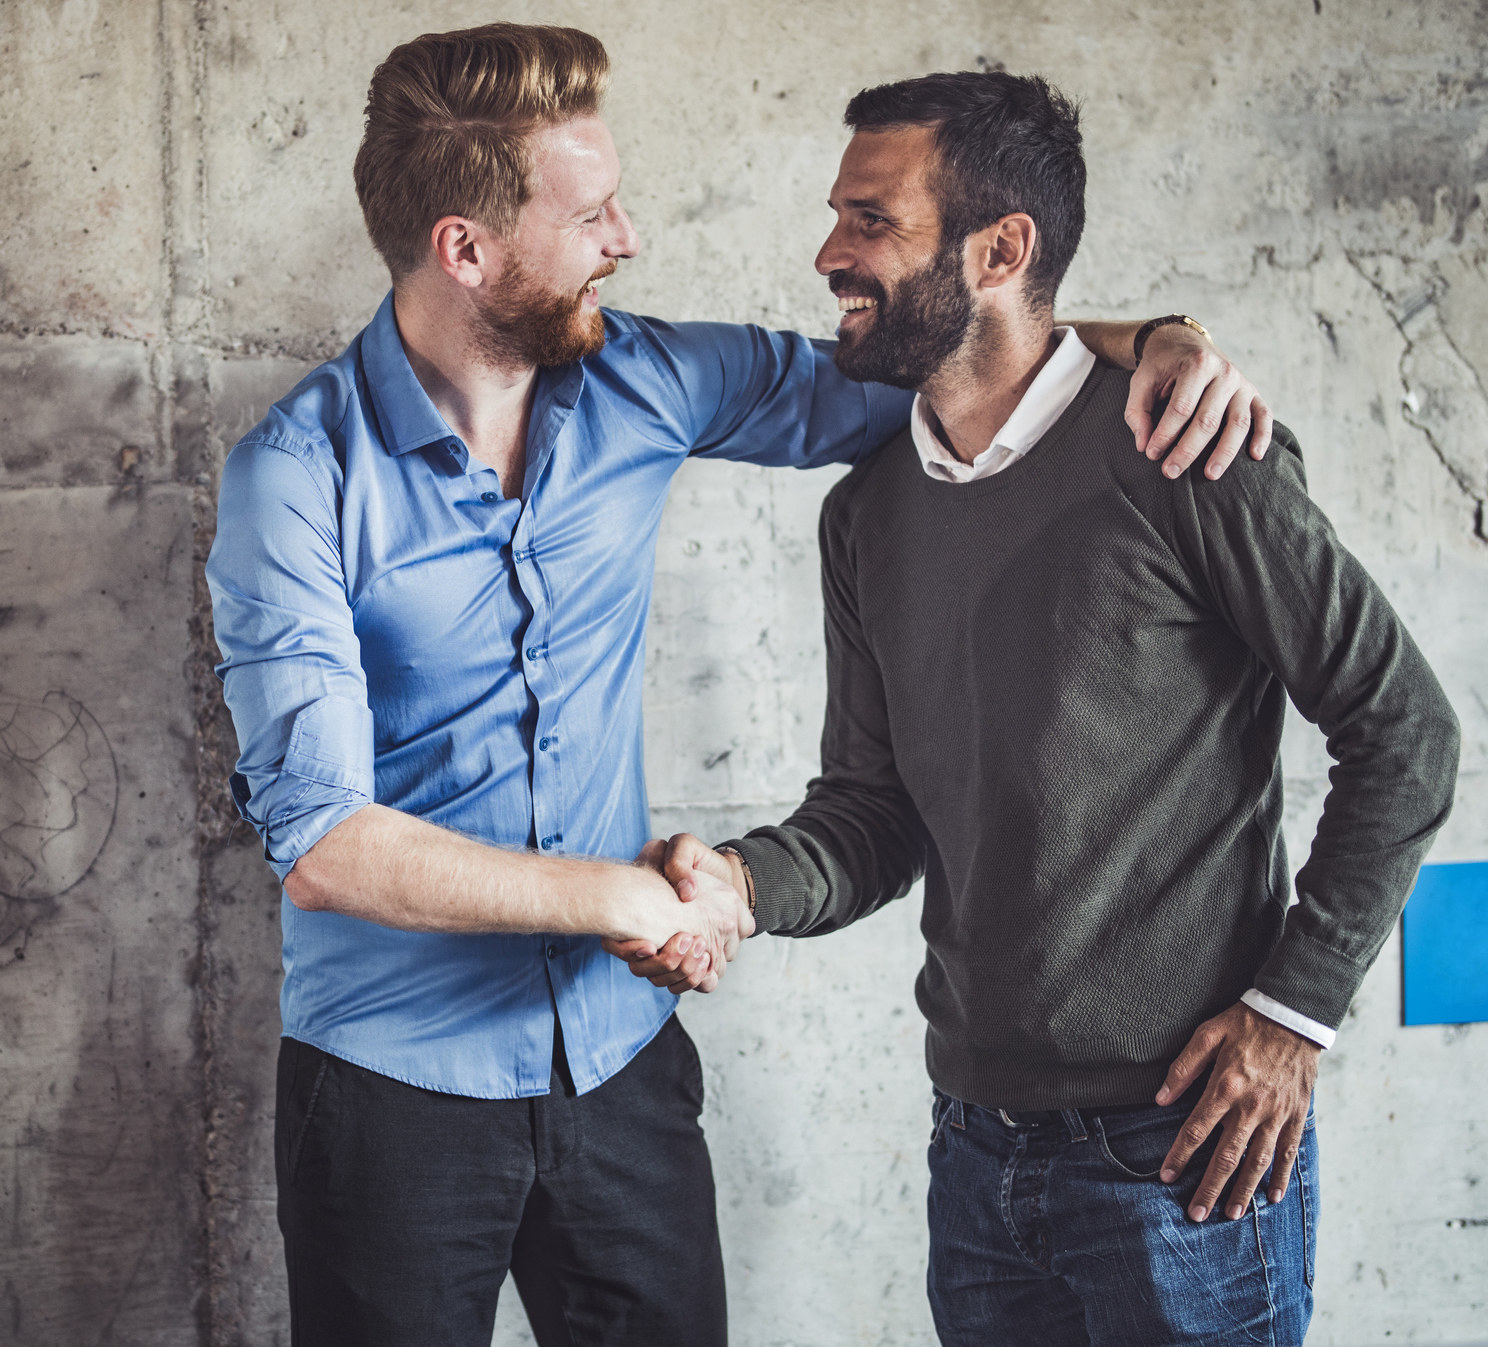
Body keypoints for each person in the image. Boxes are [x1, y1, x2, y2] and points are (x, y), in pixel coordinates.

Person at [207, 23, 1273, 1347]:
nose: (628, 236)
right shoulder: (292, 480)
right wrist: (634, 897)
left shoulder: (644, 377)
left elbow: (936, 367)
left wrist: (1155, 335)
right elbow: (322, 840)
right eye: (592, 212)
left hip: (620, 1071)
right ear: (464, 249)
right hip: (390, 1090)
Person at [620, 70, 1461, 1346]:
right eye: (838, 217)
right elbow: (872, 813)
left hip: (1186, 1161)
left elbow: (1405, 728)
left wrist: (1294, 1019)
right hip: (975, 1153)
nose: (829, 253)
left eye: (871, 221)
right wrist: (738, 884)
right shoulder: (870, 515)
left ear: (1001, 248)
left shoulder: (1184, 451)